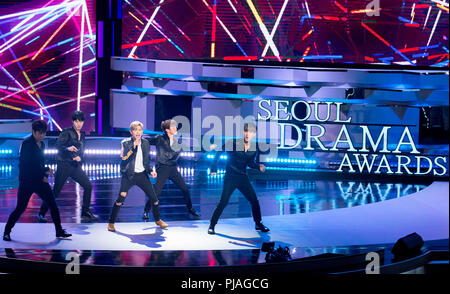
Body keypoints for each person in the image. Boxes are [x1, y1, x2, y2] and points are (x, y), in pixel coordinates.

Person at [3, 120, 71, 241]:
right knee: (20, 208)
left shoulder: (43, 145)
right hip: (27, 182)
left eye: (43, 133)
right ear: (33, 132)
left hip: (39, 181)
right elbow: (27, 165)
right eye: (39, 133)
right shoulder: (27, 144)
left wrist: (45, 174)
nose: (42, 136)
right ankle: (7, 232)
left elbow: (40, 163)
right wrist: (45, 170)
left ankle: (59, 231)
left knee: (53, 204)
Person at [208, 123, 269, 235]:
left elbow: (250, 163)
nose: (247, 134)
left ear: (254, 134)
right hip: (230, 177)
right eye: (245, 131)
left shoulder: (253, 148)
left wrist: (258, 166)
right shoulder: (233, 142)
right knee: (223, 202)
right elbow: (219, 152)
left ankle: (258, 223)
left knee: (254, 200)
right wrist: (213, 167)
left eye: (250, 132)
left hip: (242, 177)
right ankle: (212, 225)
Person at [38, 110, 98, 222]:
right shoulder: (67, 132)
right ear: (73, 121)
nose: (78, 123)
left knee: (88, 186)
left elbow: (82, 151)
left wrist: (81, 158)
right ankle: (41, 213)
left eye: (80, 121)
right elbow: (57, 145)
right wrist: (67, 148)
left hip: (75, 166)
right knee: (55, 191)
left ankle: (85, 212)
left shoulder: (83, 135)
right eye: (76, 121)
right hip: (64, 165)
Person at [107, 121, 168, 232]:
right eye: (135, 130)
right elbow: (124, 160)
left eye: (140, 130)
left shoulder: (145, 143)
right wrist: (133, 148)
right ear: (131, 132)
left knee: (154, 199)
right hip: (128, 176)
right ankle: (111, 223)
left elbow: (146, 160)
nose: (138, 132)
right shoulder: (125, 143)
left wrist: (150, 171)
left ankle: (158, 220)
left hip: (142, 175)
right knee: (120, 199)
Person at [143, 119, 200, 220]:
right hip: (162, 168)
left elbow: (193, 146)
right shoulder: (159, 138)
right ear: (167, 130)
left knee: (185, 189)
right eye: (173, 127)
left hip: (173, 168)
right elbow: (145, 139)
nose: (175, 128)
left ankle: (190, 208)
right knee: (157, 192)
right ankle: (146, 210)